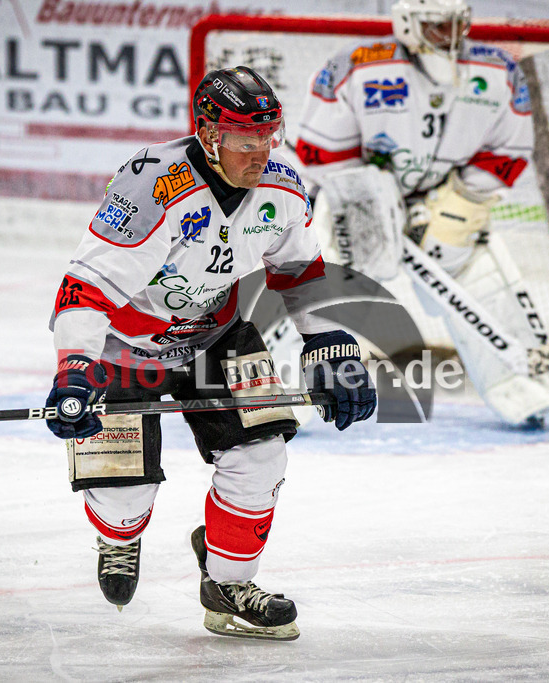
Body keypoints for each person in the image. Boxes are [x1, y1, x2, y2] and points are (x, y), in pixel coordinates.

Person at [44, 66, 376, 640]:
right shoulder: (152, 187)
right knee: (124, 501)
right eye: (246, 140)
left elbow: (301, 272)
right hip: (125, 347)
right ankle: (119, 535)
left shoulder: (281, 187)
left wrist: (331, 344)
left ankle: (228, 585)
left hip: (216, 336)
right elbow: (86, 287)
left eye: (268, 137)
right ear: (208, 133)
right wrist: (75, 366)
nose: (261, 153)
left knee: (262, 452)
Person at [294, 0, 549, 426]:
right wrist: (372, 202)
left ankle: (525, 391)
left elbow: (509, 147)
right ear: (407, 23)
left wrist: (460, 203)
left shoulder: (497, 72)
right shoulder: (357, 67)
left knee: (470, 263)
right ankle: (281, 396)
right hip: (356, 200)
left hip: (445, 199)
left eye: (456, 24)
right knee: (313, 277)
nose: (449, 35)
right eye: (436, 25)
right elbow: (320, 153)